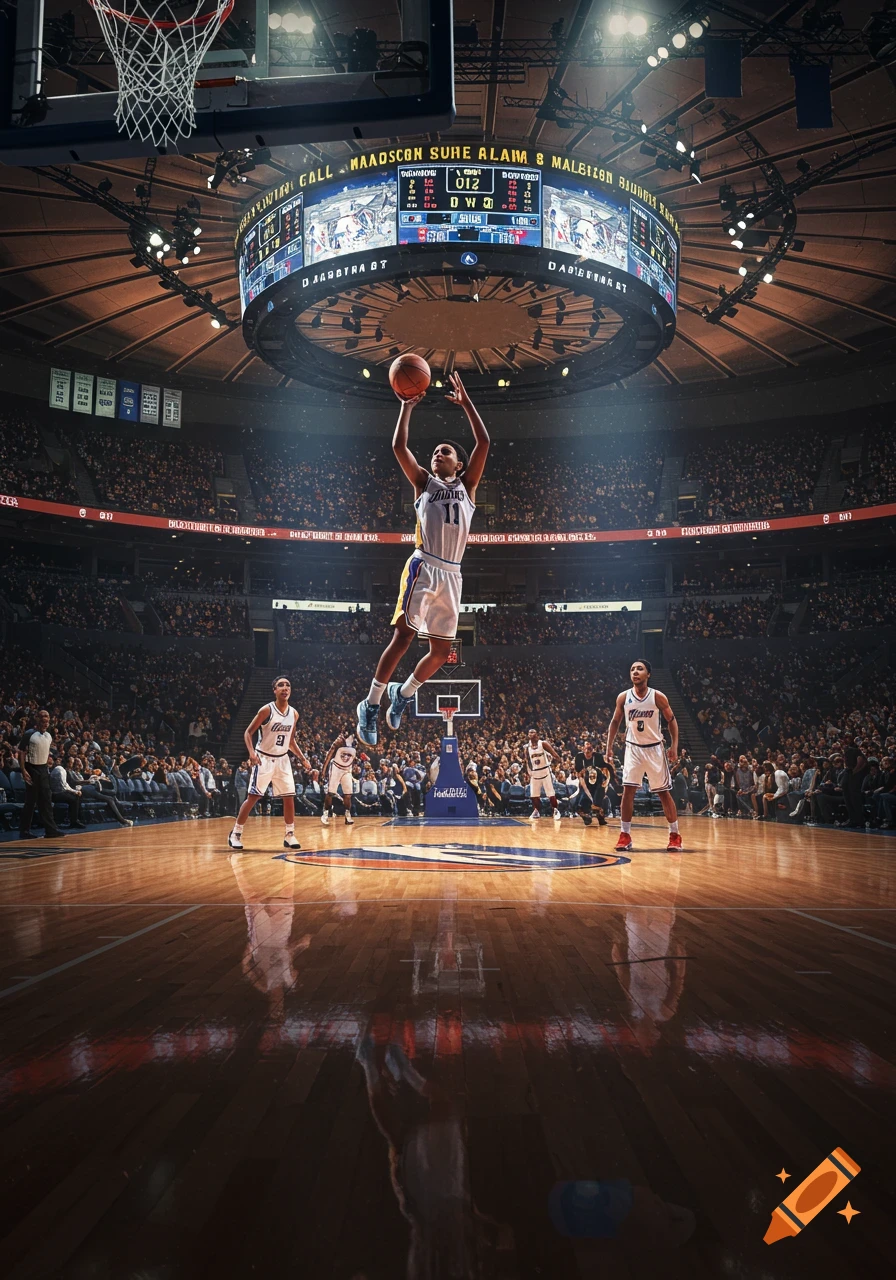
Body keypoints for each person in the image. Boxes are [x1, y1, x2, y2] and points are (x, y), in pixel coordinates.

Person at [355, 371, 490, 747]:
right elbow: (399, 447)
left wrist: (467, 405)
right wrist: (404, 408)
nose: (438, 453)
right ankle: (371, 703)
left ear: (459, 466)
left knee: (441, 652)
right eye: (435, 451)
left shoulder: (468, 488)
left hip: (453, 575)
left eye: (446, 451)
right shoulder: (423, 483)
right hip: (424, 565)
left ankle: (404, 694)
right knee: (404, 635)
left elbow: (484, 441)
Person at [606, 660, 682, 853]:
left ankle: (675, 835)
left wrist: (674, 746)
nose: (635, 672)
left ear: (648, 674)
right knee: (628, 790)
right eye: (632, 669)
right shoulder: (623, 697)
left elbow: (672, 722)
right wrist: (609, 748)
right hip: (633, 748)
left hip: (655, 748)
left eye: (639, 669)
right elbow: (615, 722)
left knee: (663, 792)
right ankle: (625, 834)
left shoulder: (658, 697)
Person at [228, 677, 311, 851]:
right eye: (280, 685)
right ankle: (236, 833)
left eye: (288, 685)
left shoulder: (294, 714)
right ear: (274, 690)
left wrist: (303, 759)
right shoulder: (267, 710)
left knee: (289, 797)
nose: (285, 688)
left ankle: (289, 834)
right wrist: (251, 753)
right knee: (254, 797)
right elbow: (248, 732)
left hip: (283, 759)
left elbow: (291, 741)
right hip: (264, 758)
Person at [17, 709, 66, 840]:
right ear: (37, 719)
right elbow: (21, 752)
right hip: (31, 768)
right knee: (31, 801)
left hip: (43, 769)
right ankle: (24, 831)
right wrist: (23, 770)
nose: (45, 721)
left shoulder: (48, 736)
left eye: (47, 719)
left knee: (46, 800)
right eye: (43, 718)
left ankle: (51, 830)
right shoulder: (29, 734)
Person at [320, 731, 360, 826]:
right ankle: (325, 814)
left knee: (348, 794)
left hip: (347, 770)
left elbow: (353, 757)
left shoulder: (356, 744)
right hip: (336, 768)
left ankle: (347, 815)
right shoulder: (339, 742)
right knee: (331, 792)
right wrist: (323, 771)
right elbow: (328, 756)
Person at [573, 738, 613, 827]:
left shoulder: (598, 757)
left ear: (593, 750)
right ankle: (586, 817)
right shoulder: (579, 758)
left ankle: (601, 818)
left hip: (598, 781)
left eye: (590, 749)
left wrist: (606, 782)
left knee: (597, 802)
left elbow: (606, 769)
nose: (588, 751)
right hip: (585, 782)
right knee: (581, 803)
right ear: (583, 748)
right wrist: (582, 785)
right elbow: (579, 774)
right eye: (586, 748)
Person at [525, 728, 562, 823]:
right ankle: (536, 811)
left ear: (537, 735)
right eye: (529, 732)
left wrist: (558, 762)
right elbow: (527, 761)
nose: (531, 733)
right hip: (535, 772)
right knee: (534, 794)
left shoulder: (543, 744)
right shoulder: (527, 747)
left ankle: (555, 810)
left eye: (533, 732)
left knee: (550, 793)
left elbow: (554, 754)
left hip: (545, 770)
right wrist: (529, 771)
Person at [48, 753, 86, 828]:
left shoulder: (61, 769)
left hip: (56, 792)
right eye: (71, 762)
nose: (72, 764)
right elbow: (64, 785)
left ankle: (75, 820)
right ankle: (74, 821)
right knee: (74, 799)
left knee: (75, 797)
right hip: (55, 794)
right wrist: (75, 791)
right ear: (67, 763)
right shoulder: (60, 770)